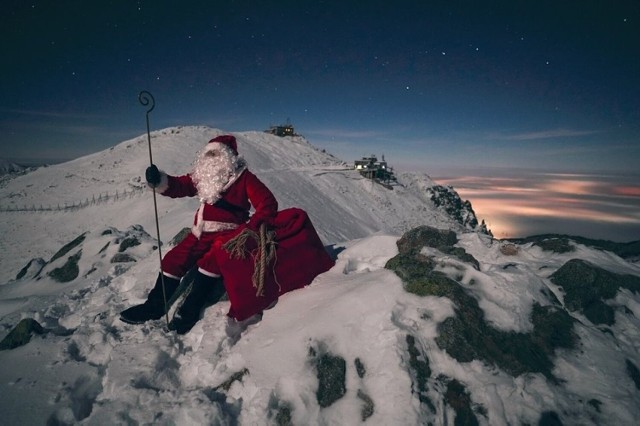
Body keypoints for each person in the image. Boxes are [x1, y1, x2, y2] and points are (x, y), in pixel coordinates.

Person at [120, 134, 278, 334]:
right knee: (172, 260)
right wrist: (158, 180)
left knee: (209, 264)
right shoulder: (204, 175)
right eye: (208, 153)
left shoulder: (244, 178)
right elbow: (180, 186)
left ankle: (189, 311)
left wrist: (250, 229)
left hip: (228, 235)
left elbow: (268, 204)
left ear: (229, 156)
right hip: (200, 233)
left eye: (216, 153)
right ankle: (154, 306)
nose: (211, 158)